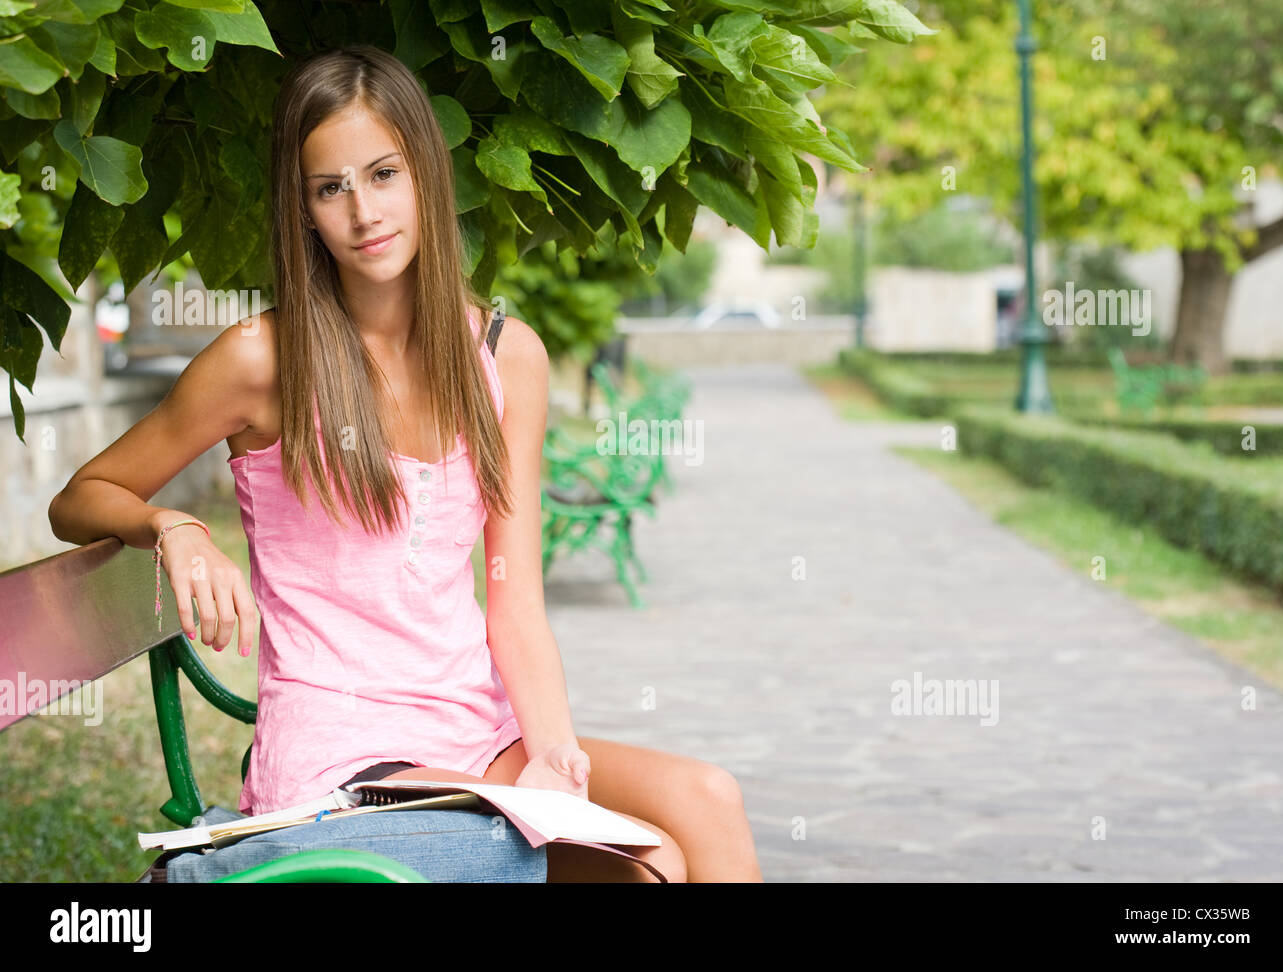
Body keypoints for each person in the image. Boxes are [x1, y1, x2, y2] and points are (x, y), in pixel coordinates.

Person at [48, 45, 761, 883]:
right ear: (304, 209)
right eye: (330, 187)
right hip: (341, 755)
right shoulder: (261, 359)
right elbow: (79, 498)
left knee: (708, 801)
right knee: (645, 868)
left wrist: (556, 752)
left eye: (383, 173)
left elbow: (515, 601)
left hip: (476, 733)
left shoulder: (506, 357)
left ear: (424, 171)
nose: (362, 211)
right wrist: (170, 525)